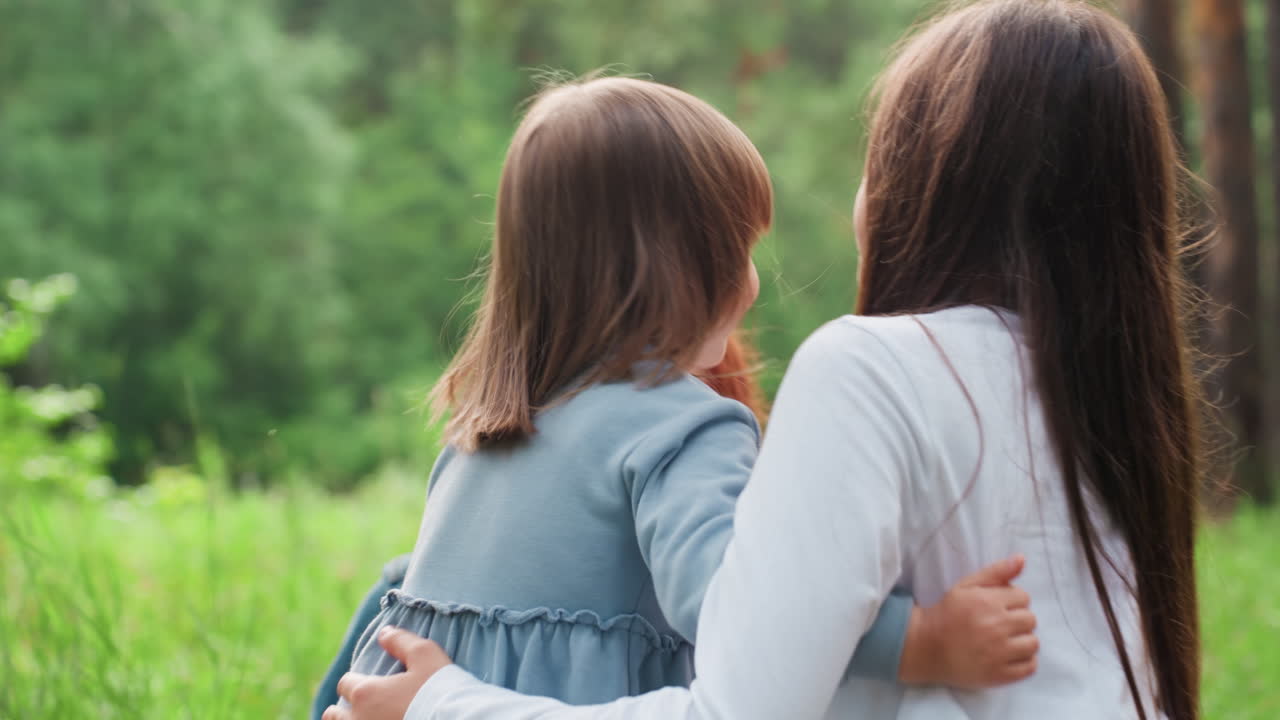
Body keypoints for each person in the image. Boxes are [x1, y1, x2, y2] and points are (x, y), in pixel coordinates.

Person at [328, 1, 1204, 718]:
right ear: (674, 271)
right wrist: (920, 640)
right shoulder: (687, 426)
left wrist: (435, 699)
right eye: (738, 251)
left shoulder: (480, 432)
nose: (753, 285)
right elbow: (738, 610)